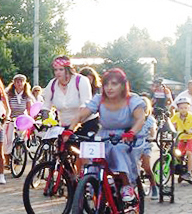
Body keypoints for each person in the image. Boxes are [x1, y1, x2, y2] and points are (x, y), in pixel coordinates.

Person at [67, 68, 146, 202]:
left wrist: (131, 133)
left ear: (123, 86)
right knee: (90, 154)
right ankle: (91, 183)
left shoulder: (132, 99)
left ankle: (127, 185)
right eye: (106, 84)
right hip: (104, 135)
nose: (109, 88)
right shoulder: (99, 99)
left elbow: (140, 119)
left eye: (114, 84)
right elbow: (81, 115)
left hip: (126, 135)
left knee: (117, 150)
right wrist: (69, 130)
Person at [43, 56, 96, 137]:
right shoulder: (52, 84)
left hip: (86, 124)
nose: (58, 72)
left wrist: (72, 127)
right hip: (65, 126)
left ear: (68, 70)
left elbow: (85, 106)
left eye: (61, 69)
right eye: (55, 70)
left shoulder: (81, 80)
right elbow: (46, 106)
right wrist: (45, 123)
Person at [170, 95, 192, 182]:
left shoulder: (191, 116)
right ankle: (181, 171)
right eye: (181, 108)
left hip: (191, 137)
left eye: (185, 108)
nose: (183, 110)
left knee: (189, 152)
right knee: (178, 154)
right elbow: (170, 123)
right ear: (178, 108)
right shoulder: (176, 116)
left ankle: (189, 172)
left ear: (188, 108)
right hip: (181, 137)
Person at [4, 74, 32, 162]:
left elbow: (29, 108)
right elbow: (5, 107)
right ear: (14, 83)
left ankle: (19, 151)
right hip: (11, 118)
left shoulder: (26, 95)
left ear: (24, 83)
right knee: (8, 139)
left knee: (22, 137)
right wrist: (7, 117)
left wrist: (30, 118)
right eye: (17, 81)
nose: (19, 83)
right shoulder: (9, 94)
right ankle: (7, 160)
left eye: (21, 81)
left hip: (21, 119)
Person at [137, 96, 158, 200]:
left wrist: (152, 133)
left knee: (146, 167)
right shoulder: (133, 118)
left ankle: (154, 186)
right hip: (134, 144)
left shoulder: (150, 119)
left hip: (145, 144)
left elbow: (152, 132)